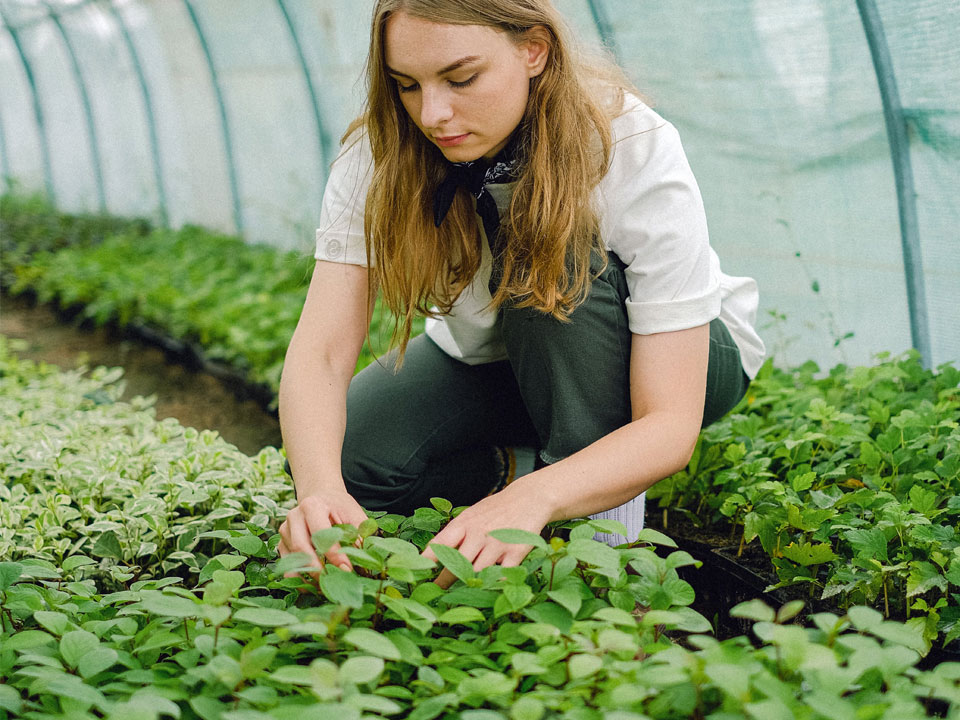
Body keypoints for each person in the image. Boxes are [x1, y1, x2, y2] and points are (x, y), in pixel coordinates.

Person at [277, 0, 765, 587]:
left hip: (671, 361)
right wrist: (320, 493)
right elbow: (324, 349)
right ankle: (517, 468)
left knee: (551, 266)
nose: (432, 113)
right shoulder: (383, 152)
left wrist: (536, 501)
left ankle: (608, 563)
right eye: (407, 85)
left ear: (534, 49)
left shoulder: (625, 142)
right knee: (353, 455)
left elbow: (667, 423)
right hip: (503, 358)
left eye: (462, 78)